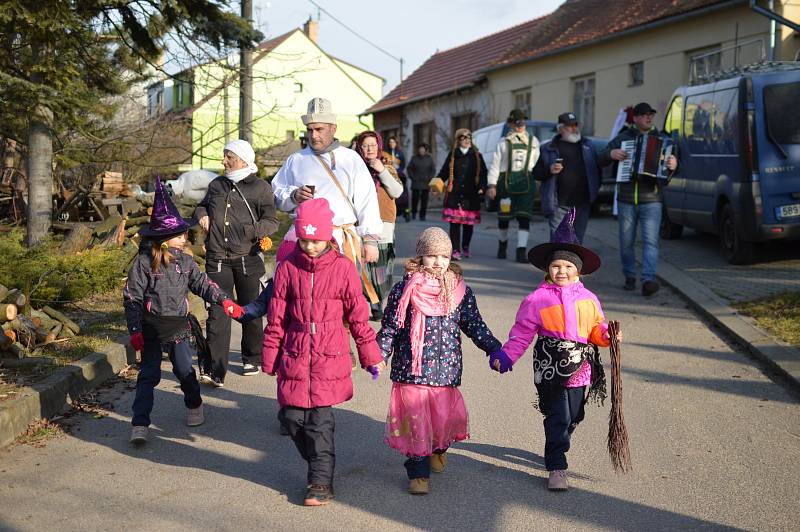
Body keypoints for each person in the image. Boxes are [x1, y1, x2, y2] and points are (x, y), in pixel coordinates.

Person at [261, 197, 385, 506]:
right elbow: (276, 317)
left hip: (329, 354)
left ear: (327, 236)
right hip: (295, 351)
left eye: (316, 240)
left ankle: (320, 480)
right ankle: (319, 460)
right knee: (290, 417)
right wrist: (270, 355)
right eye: (305, 239)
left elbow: (358, 316)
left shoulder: (343, 268)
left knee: (319, 423)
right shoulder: (288, 268)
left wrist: (371, 355)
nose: (311, 246)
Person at [488, 210, 621, 491]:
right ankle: (557, 464)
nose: (562, 271)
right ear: (548, 269)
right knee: (558, 415)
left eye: (568, 267)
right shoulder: (537, 299)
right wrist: (507, 355)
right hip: (549, 364)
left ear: (578, 270)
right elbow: (522, 332)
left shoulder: (589, 299)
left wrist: (608, 335)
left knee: (574, 415)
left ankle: (560, 438)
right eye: (556, 266)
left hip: (580, 366)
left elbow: (595, 330)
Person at [377, 227, 502, 495]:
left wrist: (493, 349)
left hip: (446, 370)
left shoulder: (460, 291)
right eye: (431, 255)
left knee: (443, 420)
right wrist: (379, 355)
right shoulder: (404, 289)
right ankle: (418, 474)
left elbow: (474, 324)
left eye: (443, 256)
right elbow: (391, 326)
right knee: (417, 423)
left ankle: (438, 449)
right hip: (412, 369)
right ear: (421, 257)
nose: (438, 262)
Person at [124, 177, 242, 444]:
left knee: (184, 371)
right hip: (152, 327)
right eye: (179, 235)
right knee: (148, 376)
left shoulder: (187, 263)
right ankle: (140, 423)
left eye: (184, 234)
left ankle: (194, 402)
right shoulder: (144, 264)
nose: (185, 237)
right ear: (164, 240)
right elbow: (132, 296)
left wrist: (224, 300)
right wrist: (134, 330)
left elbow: (203, 285)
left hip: (178, 327)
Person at [271, 97, 383, 307]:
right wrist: (294, 196)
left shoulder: (350, 159)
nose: (314, 135)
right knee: (301, 298)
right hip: (304, 241)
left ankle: (338, 337)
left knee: (339, 299)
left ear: (333, 128)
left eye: (319, 129)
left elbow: (367, 199)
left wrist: (369, 240)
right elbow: (276, 193)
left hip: (340, 239)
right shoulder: (296, 160)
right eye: (310, 129)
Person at [194, 139, 278, 386]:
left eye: (228, 156)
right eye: (224, 156)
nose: (224, 161)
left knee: (250, 309)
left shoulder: (260, 187)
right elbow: (200, 207)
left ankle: (252, 356)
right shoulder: (217, 184)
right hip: (217, 258)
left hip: (248, 259)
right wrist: (203, 215)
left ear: (243, 158)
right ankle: (215, 369)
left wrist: (252, 231)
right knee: (217, 311)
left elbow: (272, 221)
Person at [598, 102, 678, 296]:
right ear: (635, 118)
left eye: (650, 115)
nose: (648, 118)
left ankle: (648, 279)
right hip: (626, 199)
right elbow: (600, 158)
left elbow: (670, 169)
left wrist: (674, 164)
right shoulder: (623, 138)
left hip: (652, 198)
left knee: (651, 242)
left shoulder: (662, 140)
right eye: (643, 115)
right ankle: (630, 275)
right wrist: (611, 153)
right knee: (626, 242)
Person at [355, 131, 404, 321]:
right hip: (360, 224)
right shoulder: (355, 167)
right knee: (363, 266)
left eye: (373, 145)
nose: (369, 149)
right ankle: (365, 304)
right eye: (366, 145)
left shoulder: (388, 166)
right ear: (360, 146)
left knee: (381, 266)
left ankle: (378, 303)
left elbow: (397, 191)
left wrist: (381, 170)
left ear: (379, 146)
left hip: (383, 224)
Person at [534, 112, 601, 244]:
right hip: (559, 205)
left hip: (582, 204)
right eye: (570, 126)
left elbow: (597, 171)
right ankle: (556, 265)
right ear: (560, 128)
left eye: (576, 125)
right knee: (558, 244)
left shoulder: (588, 146)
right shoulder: (548, 148)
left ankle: (573, 266)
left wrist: (593, 193)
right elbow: (536, 173)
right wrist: (550, 170)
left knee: (577, 244)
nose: (574, 128)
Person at [487, 109, 541, 263]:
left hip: (526, 183)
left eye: (523, 122)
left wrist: (537, 179)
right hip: (505, 184)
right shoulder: (503, 143)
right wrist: (492, 185)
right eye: (517, 122)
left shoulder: (533, 141)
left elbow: (536, 163)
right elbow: (495, 165)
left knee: (524, 217)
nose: (521, 125)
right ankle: (502, 245)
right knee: (504, 218)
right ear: (511, 123)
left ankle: (521, 251)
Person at [437, 128, 487, 260]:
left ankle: (465, 246)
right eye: (463, 138)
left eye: (468, 137)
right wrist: (436, 183)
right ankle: (456, 250)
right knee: (454, 224)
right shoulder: (453, 155)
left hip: (471, 194)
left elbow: (483, 174)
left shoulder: (477, 155)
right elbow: (443, 172)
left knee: (468, 224)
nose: (466, 140)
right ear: (458, 140)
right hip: (455, 194)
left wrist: (482, 187)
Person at [405, 143, 436, 221]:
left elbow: (433, 170)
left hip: (426, 182)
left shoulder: (429, 158)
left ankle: (423, 215)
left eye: (423, 149)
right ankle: (414, 213)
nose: (421, 150)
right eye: (420, 149)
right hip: (416, 182)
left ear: (425, 150)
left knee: (424, 200)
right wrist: (412, 177)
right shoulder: (414, 158)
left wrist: (430, 177)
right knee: (415, 199)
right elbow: (409, 168)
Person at [386, 136, 410, 222]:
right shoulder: (385, 153)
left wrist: (399, 171)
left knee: (403, 194)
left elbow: (403, 164)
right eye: (390, 142)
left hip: (399, 175)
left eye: (393, 142)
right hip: (389, 175)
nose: (391, 144)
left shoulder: (400, 153)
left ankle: (406, 212)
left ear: (396, 143)